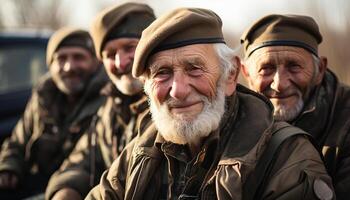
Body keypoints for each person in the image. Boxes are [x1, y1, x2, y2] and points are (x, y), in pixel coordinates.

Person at [86, 8, 334, 200]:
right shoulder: (142, 148)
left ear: (230, 76)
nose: (178, 90)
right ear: (147, 88)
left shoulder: (285, 156)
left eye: (194, 69)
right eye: (162, 73)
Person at [45, 3, 156, 200]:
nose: (121, 63)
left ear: (153, 46)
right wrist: (65, 191)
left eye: (130, 48)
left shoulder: (173, 106)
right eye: (110, 54)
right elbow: (83, 159)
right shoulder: (111, 106)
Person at [240, 14, 350, 199]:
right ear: (246, 73)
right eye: (266, 68)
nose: (280, 84)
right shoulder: (229, 123)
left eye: (294, 66)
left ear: (319, 70)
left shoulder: (345, 121)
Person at [0, 27, 107, 199]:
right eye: (61, 58)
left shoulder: (108, 98)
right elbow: (18, 140)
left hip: (82, 188)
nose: (69, 67)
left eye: (78, 57)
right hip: (39, 180)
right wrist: (9, 166)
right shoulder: (43, 96)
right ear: (50, 65)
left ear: (95, 62)